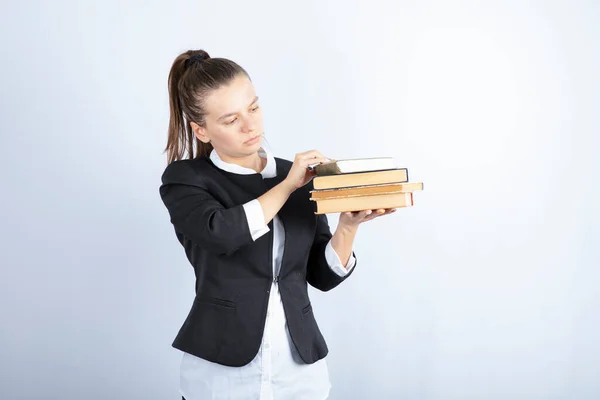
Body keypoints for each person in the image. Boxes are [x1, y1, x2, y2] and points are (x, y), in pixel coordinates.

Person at [159, 49, 396, 400]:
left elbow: (321, 276)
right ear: (201, 130)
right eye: (230, 119)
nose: (250, 126)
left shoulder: (295, 176)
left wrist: (348, 225)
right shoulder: (186, 180)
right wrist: (287, 187)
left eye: (253, 108)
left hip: (298, 370)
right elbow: (221, 233)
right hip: (222, 372)